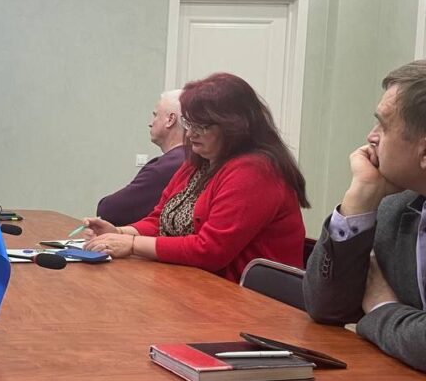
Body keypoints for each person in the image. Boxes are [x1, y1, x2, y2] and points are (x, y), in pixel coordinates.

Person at [83, 73, 308, 282]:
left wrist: (132, 244)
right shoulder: (199, 161)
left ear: (234, 126)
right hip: (199, 285)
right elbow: (159, 220)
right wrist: (119, 233)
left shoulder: (255, 172)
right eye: (189, 124)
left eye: (202, 126)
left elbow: (209, 250)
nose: (190, 134)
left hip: (248, 299)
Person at [304, 60, 426, 372]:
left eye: (384, 126)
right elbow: (327, 308)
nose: (371, 137)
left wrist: (382, 308)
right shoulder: (397, 206)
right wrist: (359, 200)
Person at [96, 89, 186, 224]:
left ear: (170, 120)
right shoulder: (195, 159)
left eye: (155, 115)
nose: (150, 123)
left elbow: (109, 210)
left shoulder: (167, 167)